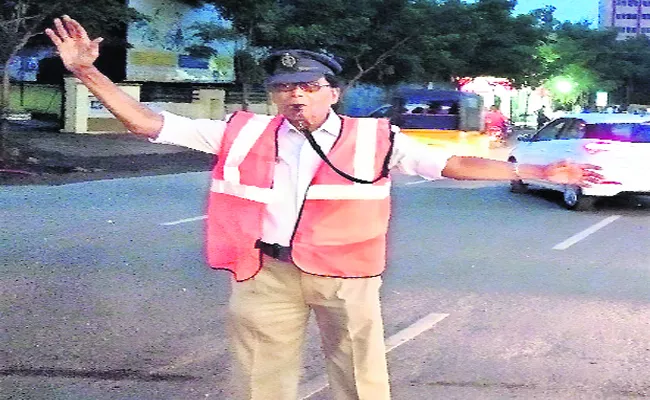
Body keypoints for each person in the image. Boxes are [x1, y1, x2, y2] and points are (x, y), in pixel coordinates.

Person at [46, 16, 603, 400]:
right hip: (266, 273)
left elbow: (452, 165)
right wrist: (87, 72)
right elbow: (145, 123)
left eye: (308, 85)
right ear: (273, 93)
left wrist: (532, 170)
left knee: (360, 374)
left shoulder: (376, 137)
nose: (295, 95)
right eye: (284, 86)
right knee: (260, 379)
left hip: (346, 276)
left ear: (332, 91)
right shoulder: (239, 132)